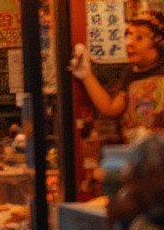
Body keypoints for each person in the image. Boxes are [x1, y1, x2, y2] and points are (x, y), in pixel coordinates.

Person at [70, 10, 164, 143]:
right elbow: (112, 109)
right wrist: (86, 76)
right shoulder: (130, 74)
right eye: (129, 36)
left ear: (158, 41)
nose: (130, 43)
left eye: (139, 38)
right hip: (135, 154)